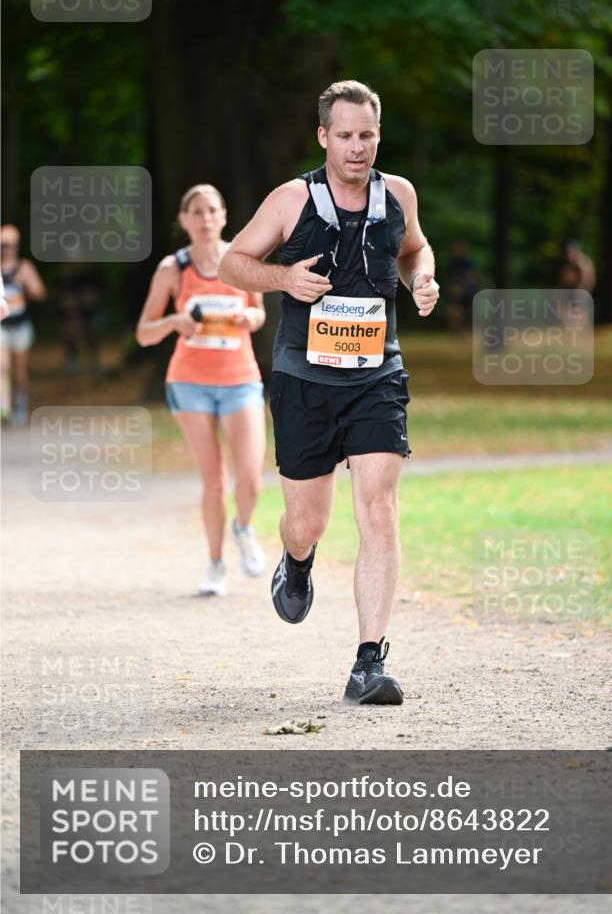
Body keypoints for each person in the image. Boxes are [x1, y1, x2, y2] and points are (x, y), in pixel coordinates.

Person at [219, 80, 439, 705]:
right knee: (307, 520)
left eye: (366, 135)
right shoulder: (293, 198)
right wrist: (284, 276)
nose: (356, 147)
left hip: (377, 376)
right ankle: (297, 559)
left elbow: (415, 248)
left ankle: (369, 662)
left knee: (378, 508)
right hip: (304, 381)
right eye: (344, 135)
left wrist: (422, 279)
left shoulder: (398, 194)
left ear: (377, 135)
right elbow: (231, 263)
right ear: (323, 136)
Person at [136, 185, 267, 595]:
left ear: (224, 216)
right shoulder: (171, 269)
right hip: (190, 383)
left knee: (249, 475)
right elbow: (143, 333)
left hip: (240, 380)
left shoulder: (243, 261)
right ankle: (215, 565)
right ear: (185, 220)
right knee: (213, 480)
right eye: (197, 211)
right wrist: (176, 322)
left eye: (213, 210)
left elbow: (260, 314)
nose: (206, 218)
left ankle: (242, 527)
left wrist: (249, 316)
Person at [0, 224, 47, 425]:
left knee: (19, 371)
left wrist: (26, 284)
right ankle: (4, 407)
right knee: (2, 365)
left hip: (21, 326)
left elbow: (41, 293)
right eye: (2, 245)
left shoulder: (25, 267)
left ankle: (20, 403)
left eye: (9, 245)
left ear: (17, 246)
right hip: (2, 325)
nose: (6, 249)